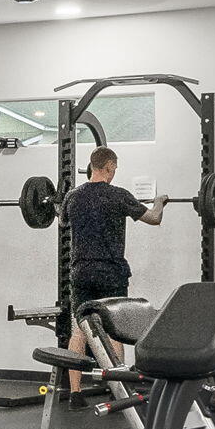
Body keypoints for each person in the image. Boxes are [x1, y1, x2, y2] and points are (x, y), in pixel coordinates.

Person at [60, 147, 167, 391]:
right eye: (114, 169)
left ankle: (75, 392)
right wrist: (159, 202)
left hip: (81, 272)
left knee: (79, 330)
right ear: (108, 167)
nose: (114, 173)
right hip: (111, 273)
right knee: (114, 331)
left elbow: (61, 222)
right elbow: (154, 218)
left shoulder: (73, 196)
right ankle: (118, 390)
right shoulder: (118, 195)